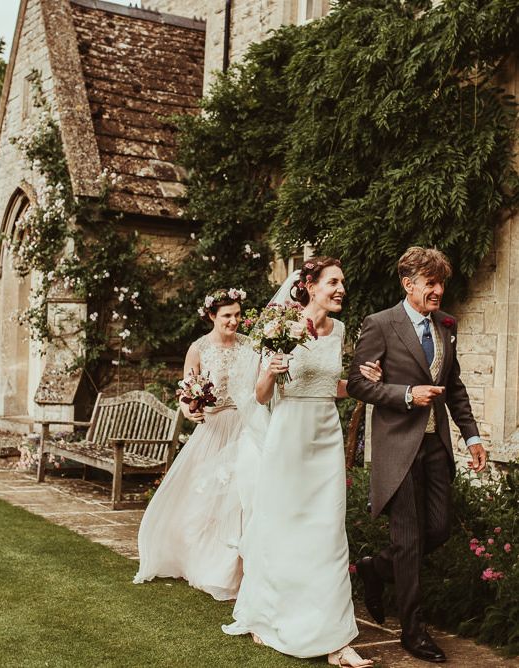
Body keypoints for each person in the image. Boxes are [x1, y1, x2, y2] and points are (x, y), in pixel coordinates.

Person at [223, 258, 379, 668]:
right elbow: (259, 395)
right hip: (289, 434)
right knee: (283, 527)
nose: (341, 288)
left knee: (328, 532)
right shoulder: (280, 324)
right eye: (333, 281)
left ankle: (336, 640)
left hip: (325, 434)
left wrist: (368, 385)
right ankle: (268, 614)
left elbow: (333, 386)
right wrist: (272, 371)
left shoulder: (340, 330)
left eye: (343, 281)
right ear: (309, 285)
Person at [347, 247, 487, 663]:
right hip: (397, 448)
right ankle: (412, 630)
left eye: (441, 282)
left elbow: (454, 386)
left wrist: (472, 436)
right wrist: (406, 394)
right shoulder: (381, 324)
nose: (438, 290)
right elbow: (357, 383)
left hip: (435, 446)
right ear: (408, 284)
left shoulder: (446, 325)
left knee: (439, 528)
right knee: (408, 540)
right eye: (430, 282)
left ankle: (375, 568)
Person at [133, 288, 255, 600]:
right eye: (227, 315)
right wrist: (190, 409)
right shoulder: (199, 348)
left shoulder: (250, 346)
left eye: (237, 315)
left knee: (238, 497)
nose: (234, 321)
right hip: (212, 428)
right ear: (212, 316)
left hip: (243, 426)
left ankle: (232, 568)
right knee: (205, 497)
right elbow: (186, 394)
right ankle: (200, 560)